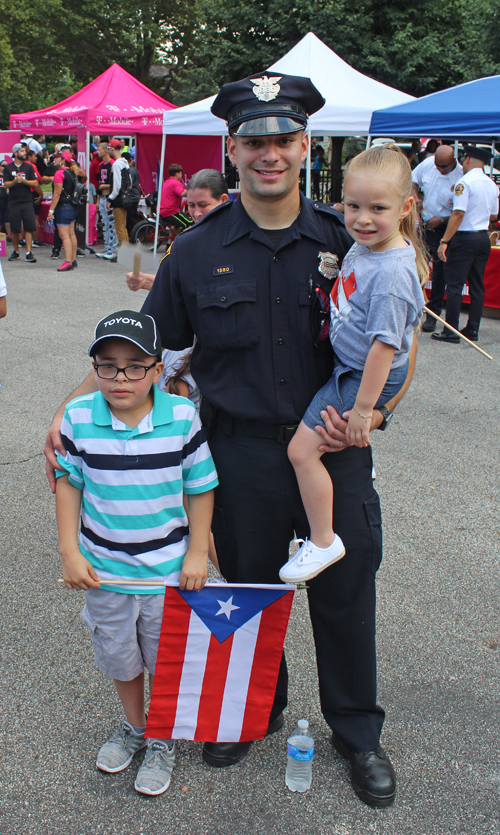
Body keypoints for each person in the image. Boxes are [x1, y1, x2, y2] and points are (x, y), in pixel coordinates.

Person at [43, 73, 416, 809]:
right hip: (237, 454)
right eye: (255, 141)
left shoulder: (352, 237)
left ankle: (356, 731)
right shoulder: (195, 250)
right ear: (233, 148)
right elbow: (147, 347)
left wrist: (378, 412)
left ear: (305, 146)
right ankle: (254, 711)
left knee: (344, 591)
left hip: (332, 450)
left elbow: (399, 343)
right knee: (247, 593)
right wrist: (71, 404)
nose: (269, 153)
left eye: (283, 139)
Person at [55, 310, 218, 795]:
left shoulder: (182, 418)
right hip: (104, 574)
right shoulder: (78, 416)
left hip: (167, 574)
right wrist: (69, 549)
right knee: (121, 659)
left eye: (135, 365)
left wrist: (197, 553)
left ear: (157, 370)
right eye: (107, 365)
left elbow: (201, 487)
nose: (120, 378)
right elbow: (69, 483)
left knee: (165, 661)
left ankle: (162, 738)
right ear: (94, 366)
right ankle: (135, 727)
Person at [281, 145, 425, 584]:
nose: (362, 219)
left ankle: (323, 539)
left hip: (362, 375)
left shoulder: (390, 273)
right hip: (354, 368)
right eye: (354, 205)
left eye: (377, 208)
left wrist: (364, 413)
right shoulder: (371, 247)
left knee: (301, 451)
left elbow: (385, 349)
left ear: (405, 207)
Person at [433, 145, 499, 342]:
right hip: (482, 237)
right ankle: (472, 329)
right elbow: (494, 215)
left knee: (454, 284)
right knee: (477, 285)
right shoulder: (491, 184)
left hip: (464, 238)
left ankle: (450, 330)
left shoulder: (464, 183)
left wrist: (445, 240)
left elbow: (458, 213)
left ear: (467, 160)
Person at [126, 168, 229, 292]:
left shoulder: (244, 238)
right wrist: (145, 281)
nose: (196, 213)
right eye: (191, 205)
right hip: (169, 211)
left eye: (203, 205)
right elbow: (175, 286)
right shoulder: (183, 244)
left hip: (165, 211)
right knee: (187, 223)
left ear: (223, 200)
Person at [411, 145, 463, 332]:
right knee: (417, 267)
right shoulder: (427, 164)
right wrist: (416, 197)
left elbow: (461, 212)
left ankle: (433, 314)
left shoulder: (461, 176)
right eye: (437, 166)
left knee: (439, 273)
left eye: (443, 167)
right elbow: (412, 180)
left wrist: (440, 219)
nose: (439, 170)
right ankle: (414, 310)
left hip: (443, 227)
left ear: (453, 162)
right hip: (425, 224)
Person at [4, 143, 39, 263]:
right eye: (22, 151)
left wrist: (23, 181)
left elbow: (35, 183)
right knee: (15, 229)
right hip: (13, 202)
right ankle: (16, 251)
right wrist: (14, 181)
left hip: (27, 201)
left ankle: (28, 252)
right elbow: (6, 184)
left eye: (25, 151)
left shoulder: (29, 167)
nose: (25, 153)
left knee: (28, 227)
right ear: (15, 153)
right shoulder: (8, 168)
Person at [47, 151, 79, 272]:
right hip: (72, 205)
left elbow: (57, 193)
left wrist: (51, 210)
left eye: (57, 158)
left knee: (64, 235)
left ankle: (68, 261)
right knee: (71, 234)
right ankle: (73, 259)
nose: (54, 160)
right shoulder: (72, 172)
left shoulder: (59, 173)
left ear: (62, 160)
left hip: (63, 207)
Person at [96, 141, 118, 260]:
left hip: (109, 198)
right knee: (105, 224)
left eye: (99, 150)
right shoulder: (100, 165)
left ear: (105, 151)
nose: (98, 152)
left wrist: (104, 187)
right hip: (103, 198)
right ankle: (107, 247)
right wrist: (98, 200)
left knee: (111, 224)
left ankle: (113, 248)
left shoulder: (112, 164)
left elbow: (114, 183)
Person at [106, 139, 130, 250]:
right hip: (126, 197)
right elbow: (129, 181)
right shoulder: (125, 162)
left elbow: (116, 186)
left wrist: (110, 198)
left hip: (119, 199)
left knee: (119, 227)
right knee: (123, 226)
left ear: (111, 149)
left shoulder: (116, 165)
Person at [159, 164, 193, 236]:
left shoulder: (167, 182)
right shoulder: (176, 183)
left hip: (163, 210)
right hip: (171, 211)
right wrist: (192, 189)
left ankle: (170, 243)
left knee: (177, 225)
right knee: (189, 223)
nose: (181, 175)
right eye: (181, 173)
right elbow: (182, 193)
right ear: (177, 173)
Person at [121, 152, 141, 236]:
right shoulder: (132, 169)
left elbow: (129, 184)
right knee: (130, 217)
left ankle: (134, 235)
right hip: (132, 196)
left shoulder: (130, 170)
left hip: (132, 197)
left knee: (131, 218)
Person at [0, 160, 11, 239]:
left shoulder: (9, 176)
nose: (4, 167)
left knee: (7, 219)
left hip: (7, 200)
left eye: (6, 166)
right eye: (3, 165)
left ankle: (10, 235)